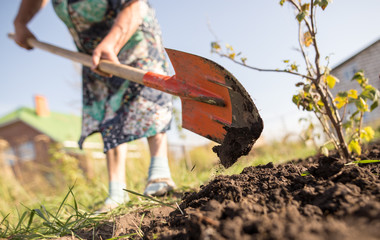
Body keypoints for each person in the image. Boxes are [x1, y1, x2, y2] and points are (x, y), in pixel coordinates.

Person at [13, 0, 175, 211]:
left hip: (134, 32)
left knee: (148, 94)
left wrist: (112, 43)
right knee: (110, 108)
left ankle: (159, 173)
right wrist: (20, 22)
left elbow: (134, 4)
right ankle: (117, 192)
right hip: (93, 51)